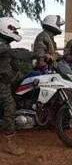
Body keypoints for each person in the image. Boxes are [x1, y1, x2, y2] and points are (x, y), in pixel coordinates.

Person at [0, 17, 25, 156]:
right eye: (13, 29)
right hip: (1, 83)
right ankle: (9, 144)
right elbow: (13, 54)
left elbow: (12, 60)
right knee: (10, 106)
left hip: (5, 82)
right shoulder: (1, 45)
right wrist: (32, 54)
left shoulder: (6, 44)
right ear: (6, 28)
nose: (15, 31)